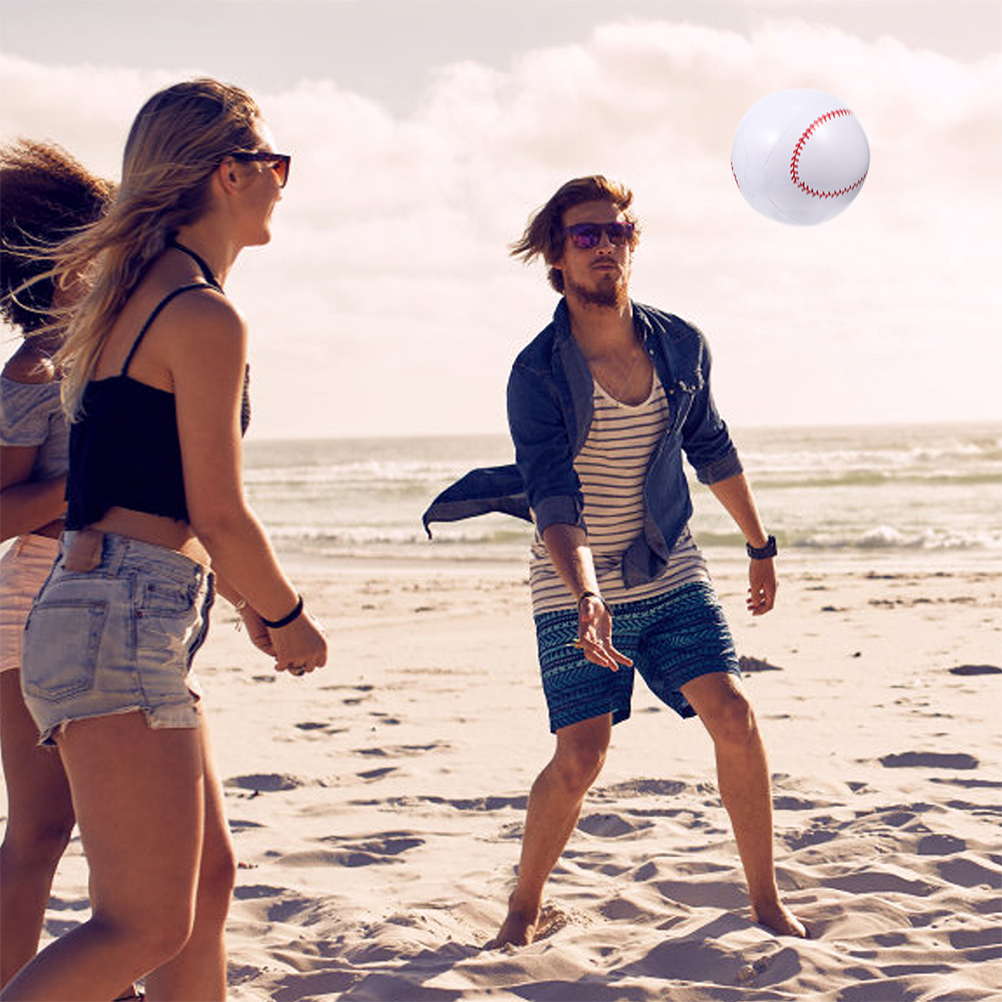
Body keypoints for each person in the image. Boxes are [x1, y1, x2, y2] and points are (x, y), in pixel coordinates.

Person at [1, 79, 327, 1000]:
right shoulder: (201, 314)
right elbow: (218, 512)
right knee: (140, 922)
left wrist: (243, 600)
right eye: (275, 163)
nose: (281, 182)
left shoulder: (128, 301)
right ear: (230, 173)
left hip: (113, 606)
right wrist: (287, 614)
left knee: (204, 884)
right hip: (122, 615)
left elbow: (155, 493)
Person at [424, 175, 807, 948]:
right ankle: (523, 908)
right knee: (581, 758)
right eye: (587, 235)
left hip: (667, 565)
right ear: (557, 256)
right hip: (572, 582)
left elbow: (711, 447)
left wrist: (759, 545)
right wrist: (587, 595)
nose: (606, 246)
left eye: (618, 232)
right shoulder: (536, 373)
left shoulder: (680, 345)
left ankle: (766, 903)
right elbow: (553, 498)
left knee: (735, 717)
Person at [0, 141, 146, 1000]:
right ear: (68, 265)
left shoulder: (108, 352)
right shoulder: (33, 369)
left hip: (101, 602)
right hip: (32, 604)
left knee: (104, 819)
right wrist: (91, 487)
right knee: (41, 826)